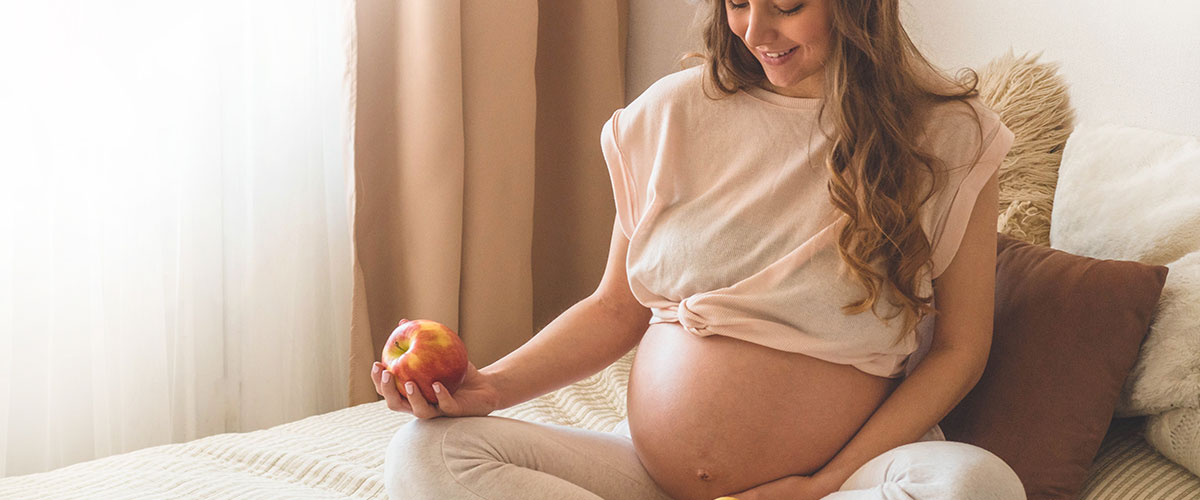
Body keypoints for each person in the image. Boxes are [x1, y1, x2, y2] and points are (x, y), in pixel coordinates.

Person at [375, 0, 1027, 498]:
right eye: (739, 1)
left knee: (977, 485)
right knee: (424, 453)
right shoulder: (672, 115)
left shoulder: (947, 136)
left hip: (833, 483)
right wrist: (487, 388)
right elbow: (614, 310)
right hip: (648, 475)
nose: (756, 31)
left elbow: (960, 347)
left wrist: (823, 482)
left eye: (788, 5)